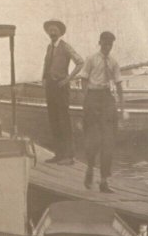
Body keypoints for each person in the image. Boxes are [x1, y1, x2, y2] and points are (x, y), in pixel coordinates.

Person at [80, 31, 125, 193]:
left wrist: (121, 107)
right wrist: (86, 100)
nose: (107, 47)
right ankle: (90, 169)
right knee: (93, 139)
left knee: (109, 140)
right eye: (105, 43)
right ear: (99, 42)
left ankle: (104, 181)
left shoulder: (113, 62)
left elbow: (119, 85)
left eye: (110, 44)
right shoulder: (91, 59)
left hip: (107, 99)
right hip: (93, 97)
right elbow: (83, 80)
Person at [42, 19, 84, 164]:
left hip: (61, 86)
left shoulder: (65, 47)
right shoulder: (49, 47)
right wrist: (44, 79)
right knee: (53, 120)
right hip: (50, 87)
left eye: (55, 30)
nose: (52, 32)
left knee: (64, 121)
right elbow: (46, 64)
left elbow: (80, 62)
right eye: (50, 30)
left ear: (60, 32)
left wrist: (68, 79)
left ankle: (69, 156)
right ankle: (58, 154)